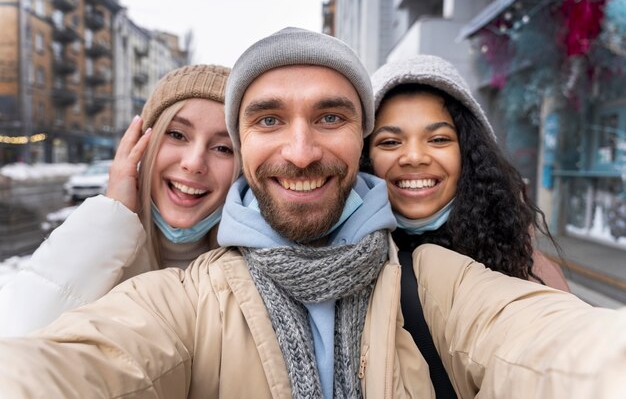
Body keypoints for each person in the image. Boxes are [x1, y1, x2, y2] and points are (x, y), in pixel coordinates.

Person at [0, 28, 625, 399]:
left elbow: (557, 349)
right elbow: (66, 365)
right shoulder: (186, 299)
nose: (300, 152)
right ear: (245, 151)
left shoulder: (434, 278)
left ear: (360, 141)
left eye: (330, 117)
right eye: (269, 119)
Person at [0, 64, 238, 337]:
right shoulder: (101, 246)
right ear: (140, 143)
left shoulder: (253, 281)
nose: (194, 163)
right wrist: (113, 217)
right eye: (176, 134)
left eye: (223, 148)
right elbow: (15, 345)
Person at [361, 55, 569, 290]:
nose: (414, 157)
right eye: (390, 142)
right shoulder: (336, 257)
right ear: (364, 155)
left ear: (468, 153)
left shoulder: (526, 271)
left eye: (439, 139)